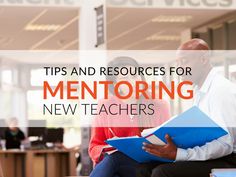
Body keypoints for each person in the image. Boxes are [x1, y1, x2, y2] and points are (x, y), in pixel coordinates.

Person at [137, 38, 236, 177]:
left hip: (229, 159)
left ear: (203, 59)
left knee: (162, 173)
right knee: (144, 168)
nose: (179, 68)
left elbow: (225, 145)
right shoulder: (199, 91)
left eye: (184, 62)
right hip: (211, 154)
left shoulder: (221, 90)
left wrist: (180, 154)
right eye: (177, 63)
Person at [89, 57, 170, 177]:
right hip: (119, 166)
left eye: (134, 76)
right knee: (114, 160)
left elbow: (168, 141)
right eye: (124, 78)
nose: (132, 82)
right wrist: (110, 148)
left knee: (114, 159)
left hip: (149, 164)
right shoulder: (105, 106)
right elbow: (94, 147)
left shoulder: (158, 105)